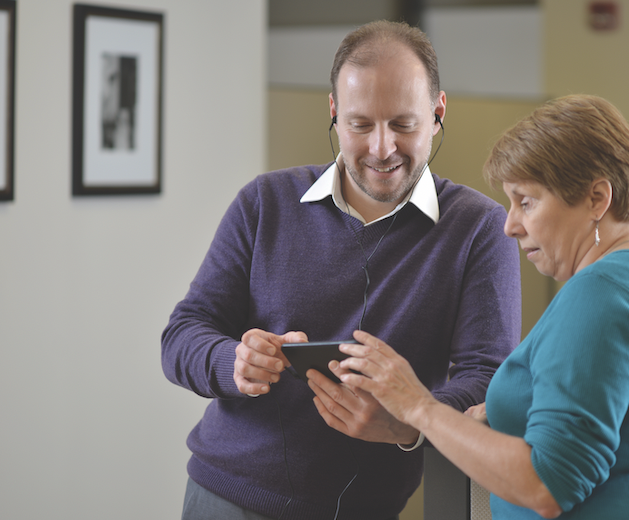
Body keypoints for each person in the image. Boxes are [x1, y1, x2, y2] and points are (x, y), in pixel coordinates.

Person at [161, 20, 521, 520]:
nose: (381, 148)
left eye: (403, 124)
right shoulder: (263, 202)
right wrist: (233, 362)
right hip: (222, 497)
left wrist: (406, 418)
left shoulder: (480, 229)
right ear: (333, 112)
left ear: (437, 114)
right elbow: (182, 335)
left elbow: (491, 379)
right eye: (359, 125)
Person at [333, 95, 629, 519]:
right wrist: (517, 412)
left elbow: (549, 486)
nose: (510, 225)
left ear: (597, 198)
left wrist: (418, 406)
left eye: (526, 201)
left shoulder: (599, 294)